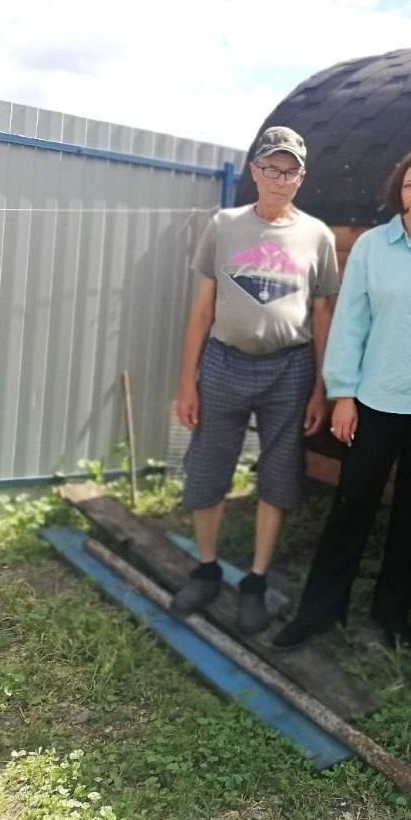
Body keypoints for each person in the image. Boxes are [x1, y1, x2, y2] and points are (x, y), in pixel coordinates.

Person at [273, 148, 411, 651]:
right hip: (376, 400)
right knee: (353, 506)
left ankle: (392, 615)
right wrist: (344, 395)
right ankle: (319, 612)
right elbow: (351, 323)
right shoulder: (373, 248)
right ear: (398, 189)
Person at [171, 126, 339, 635]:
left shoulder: (318, 236)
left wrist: (320, 388)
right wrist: (187, 382)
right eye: (270, 168)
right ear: (255, 171)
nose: (279, 178)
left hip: (289, 370)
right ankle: (205, 568)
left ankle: (256, 581)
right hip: (223, 362)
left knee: (279, 475)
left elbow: (323, 314)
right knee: (207, 470)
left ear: (301, 177)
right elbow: (201, 310)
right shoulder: (223, 226)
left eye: (289, 171)